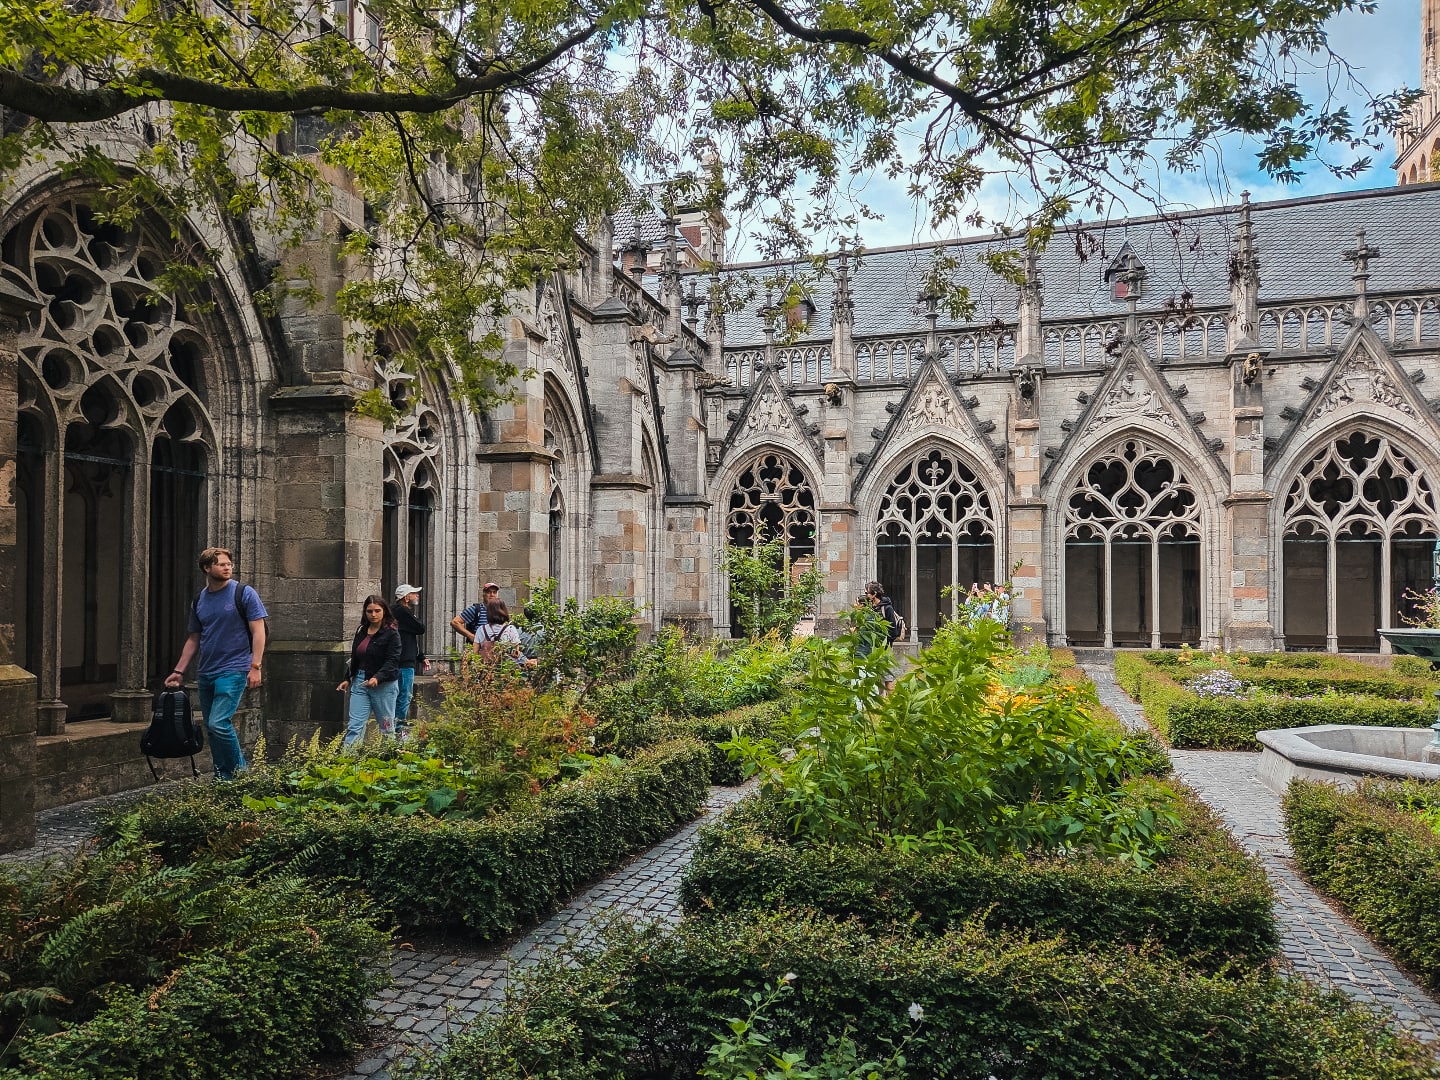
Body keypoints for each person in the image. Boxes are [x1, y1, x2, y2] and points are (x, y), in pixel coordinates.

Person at [164, 546, 267, 781]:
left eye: (229, 563)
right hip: (207, 671)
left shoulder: (244, 593)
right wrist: (178, 671)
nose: (227, 567)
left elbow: (259, 630)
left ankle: (242, 776)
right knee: (212, 728)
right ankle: (223, 778)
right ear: (206, 568)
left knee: (219, 723)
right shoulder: (200, 599)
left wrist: (255, 666)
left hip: (234, 668)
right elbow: (194, 638)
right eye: (221, 564)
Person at [337, 594, 402, 745]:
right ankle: (348, 762)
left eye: (377, 611)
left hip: (384, 686)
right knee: (355, 726)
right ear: (365, 612)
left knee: (386, 726)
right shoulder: (361, 631)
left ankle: (389, 759)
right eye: (369, 611)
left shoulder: (391, 633)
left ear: (384, 611)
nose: (373, 615)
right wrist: (347, 678)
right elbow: (356, 657)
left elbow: (393, 660)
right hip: (360, 681)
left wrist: (378, 677)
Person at [393, 583, 427, 731]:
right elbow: (420, 628)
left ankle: (395, 726)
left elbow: (409, 637)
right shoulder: (402, 611)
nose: (417, 595)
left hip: (404, 658)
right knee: (404, 695)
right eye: (414, 593)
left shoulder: (399, 612)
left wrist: (420, 656)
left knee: (398, 695)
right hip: (404, 661)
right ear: (406, 598)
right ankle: (398, 727)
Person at [475, 598, 535, 670]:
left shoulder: (481, 629)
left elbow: (475, 652)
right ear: (504, 610)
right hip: (506, 670)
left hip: (487, 670)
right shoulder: (510, 629)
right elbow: (516, 653)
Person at [450, 581, 500, 646]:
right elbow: (454, 622)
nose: (492, 595)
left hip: (493, 651)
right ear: (484, 594)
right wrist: (471, 636)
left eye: (494, 592)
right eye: (489, 592)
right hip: (477, 651)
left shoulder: (499, 611)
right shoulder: (476, 609)